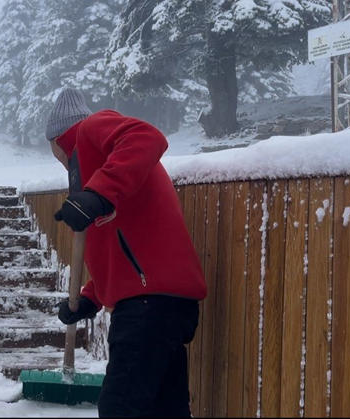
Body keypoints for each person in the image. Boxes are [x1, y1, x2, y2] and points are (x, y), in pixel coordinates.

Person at [46, 88, 208, 417]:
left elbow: (147, 136)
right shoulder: (96, 173)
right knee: (166, 410)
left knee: (121, 408)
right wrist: (90, 298)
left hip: (148, 306)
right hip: (161, 304)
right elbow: (123, 246)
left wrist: (99, 193)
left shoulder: (92, 131)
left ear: (58, 140)